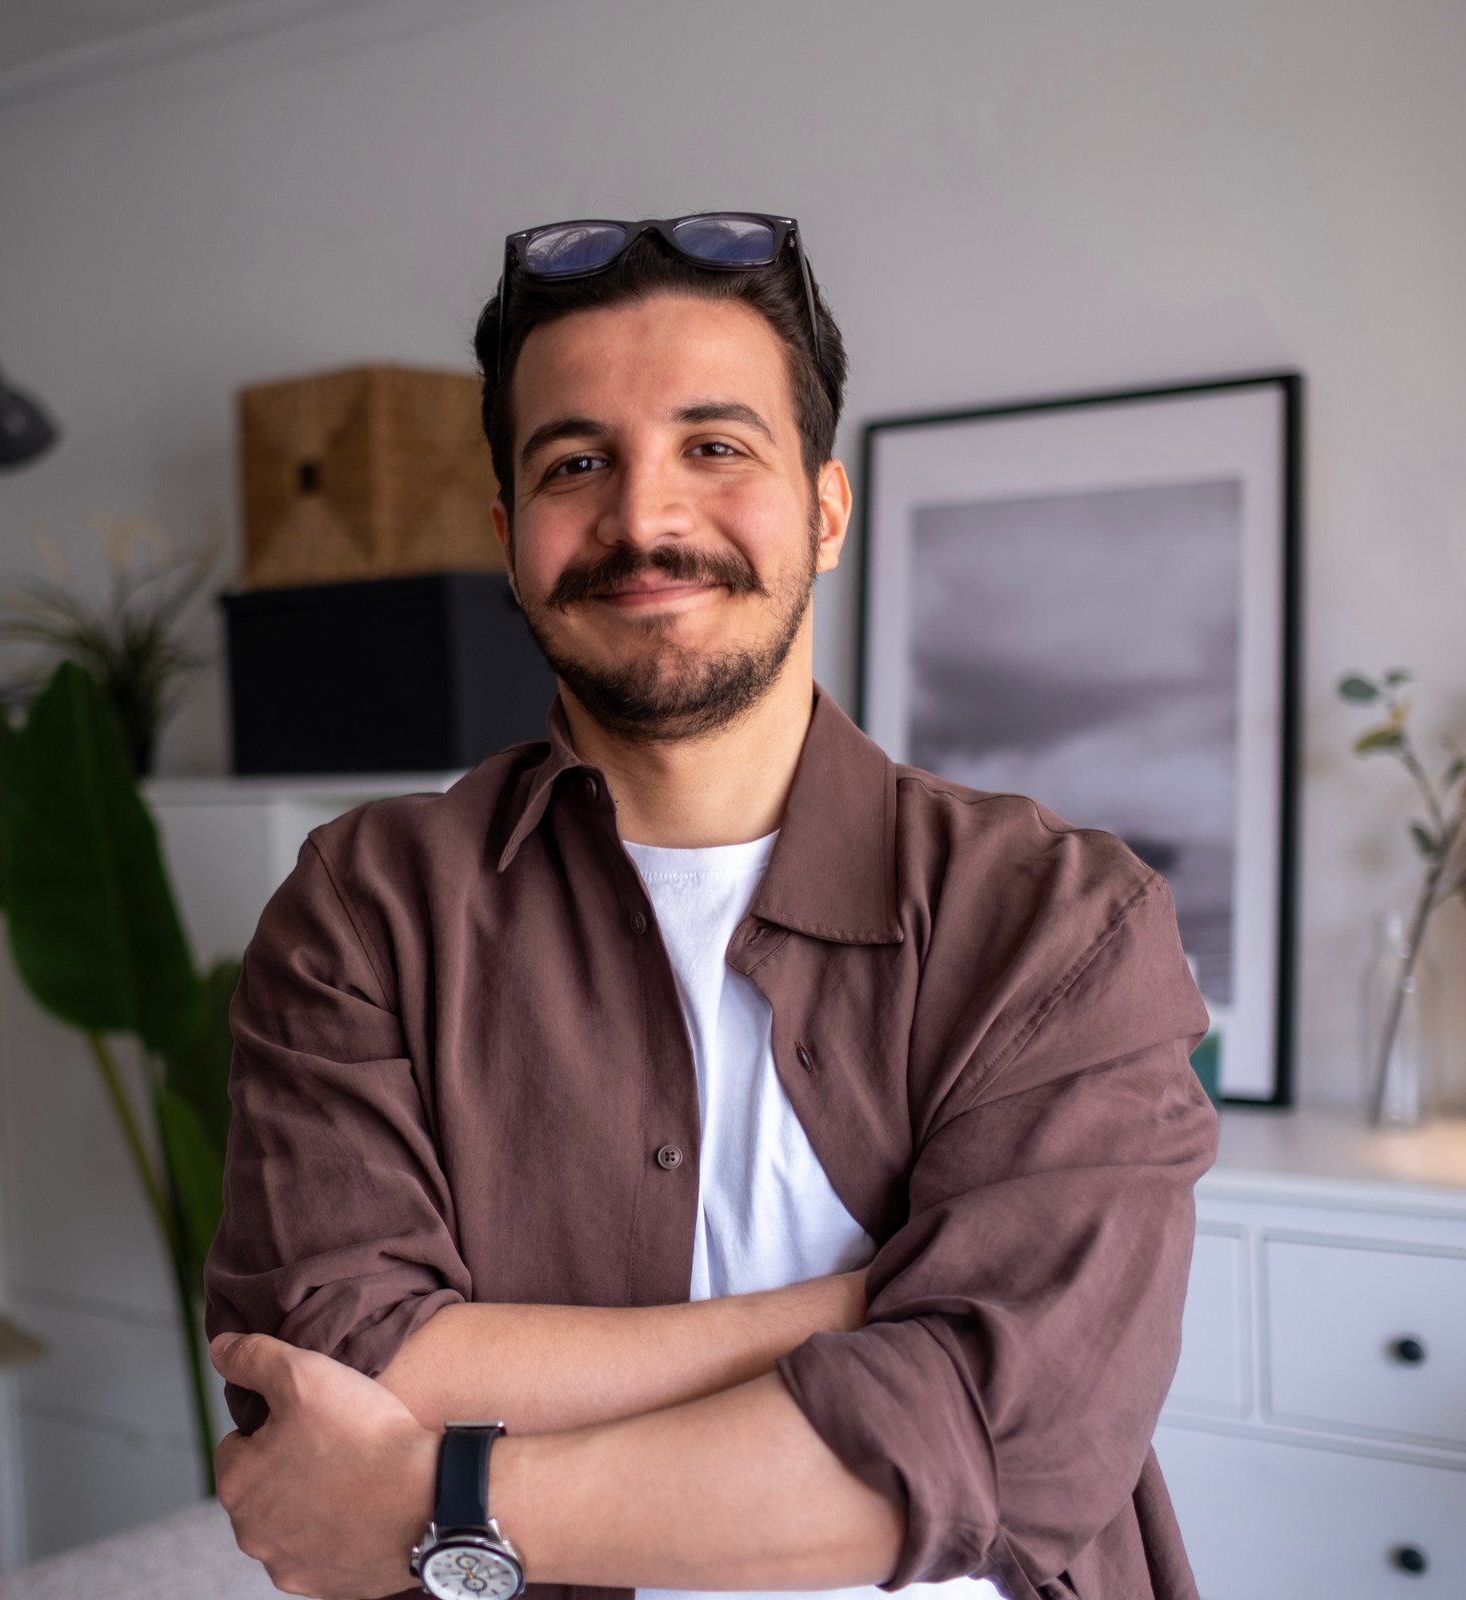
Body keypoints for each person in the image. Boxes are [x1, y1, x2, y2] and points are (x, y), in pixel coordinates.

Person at [201, 212, 1217, 1600]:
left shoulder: (1053, 919)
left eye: (716, 447)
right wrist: (867, 1317)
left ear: (827, 510)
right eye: (576, 464)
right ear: (509, 538)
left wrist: (446, 1498)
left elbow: (1012, 1438)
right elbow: (339, 1364)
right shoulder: (369, 908)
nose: (644, 519)